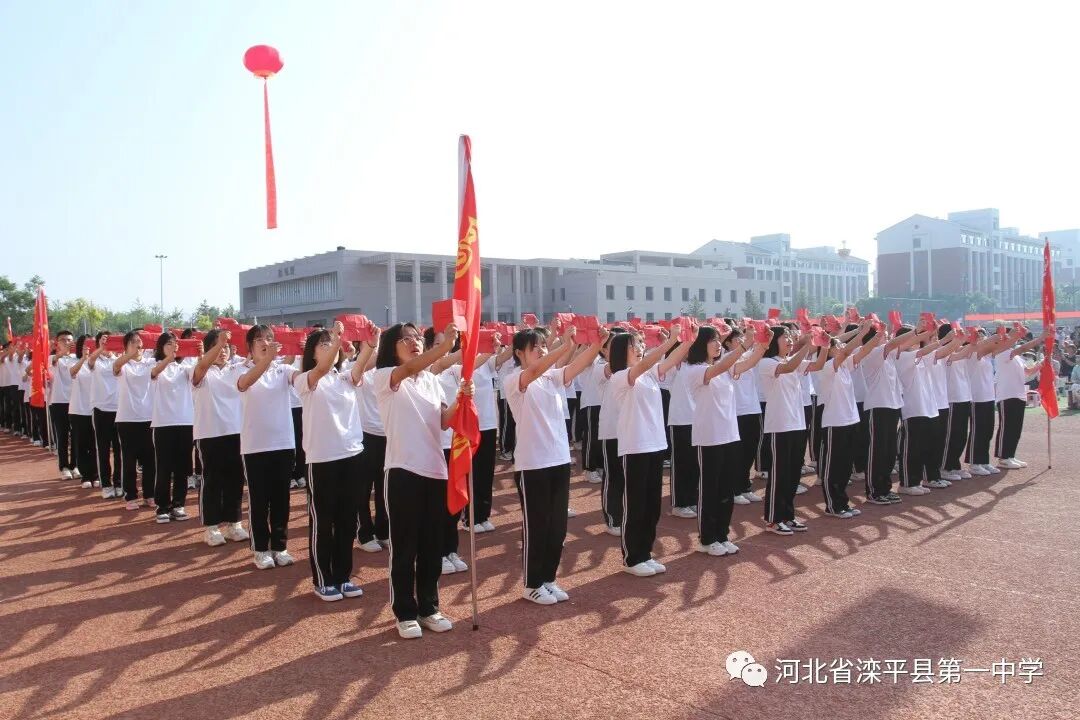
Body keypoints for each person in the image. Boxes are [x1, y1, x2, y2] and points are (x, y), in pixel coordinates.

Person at [374, 322, 470, 638]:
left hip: (435, 470)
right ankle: (404, 612)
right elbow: (409, 369)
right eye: (405, 339)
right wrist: (444, 348)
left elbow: (443, 421)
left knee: (431, 546)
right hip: (402, 470)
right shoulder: (385, 377)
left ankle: (429, 608)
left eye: (416, 338)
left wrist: (461, 400)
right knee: (405, 547)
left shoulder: (431, 380)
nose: (413, 342)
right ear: (391, 347)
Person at [505, 322, 605, 603]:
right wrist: (564, 346)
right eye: (534, 347)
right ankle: (532, 584)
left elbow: (577, 366)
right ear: (519, 353)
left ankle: (549, 578)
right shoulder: (515, 379)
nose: (540, 350)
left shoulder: (552, 377)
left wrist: (596, 344)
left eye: (543, 346)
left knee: (557, 526)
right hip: (532, 463)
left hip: (559, 459)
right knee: (537, 525)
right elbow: (533, 372)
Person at [293, 322, 368, 599]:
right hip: (322, 458)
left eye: (331, 344)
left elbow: (362, 365)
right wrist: (337, 340)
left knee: (347, 520)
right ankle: (323, 579)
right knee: (323, 521)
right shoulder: (307, 380)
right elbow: (323, 368)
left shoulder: (344, 377)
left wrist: (371, 343)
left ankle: (343, 576)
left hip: (352, 454)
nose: (329, 348)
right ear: (312, 353)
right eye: (323, 345)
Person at [609, 323, 689, 576]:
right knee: (635, 504)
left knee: (652, 505)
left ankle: (645, 552)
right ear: (622, 350)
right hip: (635, 446)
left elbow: (671, 359)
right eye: (635, 345)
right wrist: (669, 341)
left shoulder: (650, 374)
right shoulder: (620, 376)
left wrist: (688, 340)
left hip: (656, 444)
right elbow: (647, 363)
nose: (640, 348)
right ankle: (632, 558)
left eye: (641, 344)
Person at [686, 323, 767, 555]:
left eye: (718, 340)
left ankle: (722, 534)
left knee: (726, 489)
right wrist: (744, 346)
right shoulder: (695, 370)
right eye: (713, 340)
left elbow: (748, 364)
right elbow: (722, 366)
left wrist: (762, 345)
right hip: (709, 437)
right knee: (710, 489)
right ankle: (707, 539)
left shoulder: (724, 368)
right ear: (700, 344)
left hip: (729, 435)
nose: (717, 344)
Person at [236, 325, 305, 569]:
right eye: (259, 339)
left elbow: (302, 380)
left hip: (283, 443)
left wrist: (308, 356)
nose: (265, 342)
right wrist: (267, 361)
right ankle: (261, 549)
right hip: (255, 445)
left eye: (269, 338)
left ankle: (280, 546)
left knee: (281, 499)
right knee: (259, 500)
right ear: (250, 346)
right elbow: (245, 383)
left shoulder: (284, 370)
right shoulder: (240, 368)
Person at [806, 320, 872, 518]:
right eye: (838, 345)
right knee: (834, 465)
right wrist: (861, 332)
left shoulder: (843, 365)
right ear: (830, 350)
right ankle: (833, 505)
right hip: (834, 422)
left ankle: (842, 503)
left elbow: (863, 351)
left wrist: (875, 336)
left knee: (844, 465)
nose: (842, 347)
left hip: (849, 420)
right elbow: (847, 351)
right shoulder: (827, 367)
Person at [192, 329, 248, 547]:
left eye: (225, 347)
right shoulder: (200, 370)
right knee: (212, 480)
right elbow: (201, 368)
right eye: (218, 346)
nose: (223, 351)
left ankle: (234, 523)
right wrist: (219, 344)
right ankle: (211, 527)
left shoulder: (237, 369)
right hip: (209, 433)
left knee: (235, 479)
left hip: (236, 431)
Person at [757, 325, 813, 535]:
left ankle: (788, 515)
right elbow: (789, 367)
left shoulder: (790, 360)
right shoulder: (767, 362)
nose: (789, 340)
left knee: (792, 474)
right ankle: (773, 519)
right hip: (779, 425)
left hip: (797, 423)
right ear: (774, 342)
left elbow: (817, 365)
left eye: (790, 337)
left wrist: (823, 345)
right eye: (784, 337)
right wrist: (806, 345)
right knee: (779, 474)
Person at [149, 332, 196, 523]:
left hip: (185, 422)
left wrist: (202, 354)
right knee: (164, 467)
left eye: (176, 344)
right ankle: (162, 506)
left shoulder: (185, 367)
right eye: (169, 344)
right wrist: (169, 357)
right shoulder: (154, 364)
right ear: (161, 347)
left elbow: (198, 373)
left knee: (182, 467)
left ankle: (178, 504)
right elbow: (155, 373)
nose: (174, 346)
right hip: (163, 423)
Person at [994, 325, 1050, 468]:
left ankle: (1010, 455)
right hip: (1006, 395)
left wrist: (1042, 364)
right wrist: (1041, 338)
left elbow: (1028, 372)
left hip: (1019, 394)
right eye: (1011, 336)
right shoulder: (1001, 353)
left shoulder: (1017, 357)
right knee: (1007, 427)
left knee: (1015, 428)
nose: (1014, 339)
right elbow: (1023, 348)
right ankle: (1003, 457)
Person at [112, 331, 157, 511]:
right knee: (129, 459)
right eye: (133, 342)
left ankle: (149, 494)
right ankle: (130, 495)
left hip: (148, 417)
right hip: (127, 418)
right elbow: (116, 366)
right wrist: (130, 354)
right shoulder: (123, 364)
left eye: (139, 341)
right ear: (126, 346)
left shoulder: (150, 362)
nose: (138, 345)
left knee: (150, 459)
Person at [88, 331, 123, 499]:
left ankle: (118, 482)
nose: (108, 344)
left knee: (119, 449)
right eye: (104, 341)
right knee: (103, 449)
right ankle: (106, 484)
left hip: (120, 409)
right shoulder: (96, 360)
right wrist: (101, 348)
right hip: (101, 409)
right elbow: (90, 361)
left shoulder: (120, 359)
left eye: (110, 341)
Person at [965, 328, 1001, 476]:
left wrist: (1012, 337)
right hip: (977, 397)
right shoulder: (972, 353)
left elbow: (1001, 346)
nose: (982, 337)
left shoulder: (987, 355)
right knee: (978, 431)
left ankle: (984, 460)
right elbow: (986, 345)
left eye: (982, 334)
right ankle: (974, 462)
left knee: (987, 431)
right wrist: (995, 337)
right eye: (978, 335)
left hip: (988, 397)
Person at [67, 335, 99, 489]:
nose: (88, 347)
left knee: (95, 444)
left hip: (96, 409)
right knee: (81, 444)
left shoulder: (99, 362)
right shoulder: (73, 361)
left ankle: (96, 474)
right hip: (79, 409)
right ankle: (85, 476)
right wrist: (83, 359)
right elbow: (72, 372)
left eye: (91, 344)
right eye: (85, 345)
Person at [50, 330, 78, 480]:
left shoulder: (77, 358)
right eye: (64, 340)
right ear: (57, 342)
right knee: (62, 435)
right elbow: (55, 360)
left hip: (76, 401)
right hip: (59, 401)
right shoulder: (52, 358)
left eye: (69, 340)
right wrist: (63, 352)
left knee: (76, 435)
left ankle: (75, 465)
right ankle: (64, 466)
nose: (67, 342)